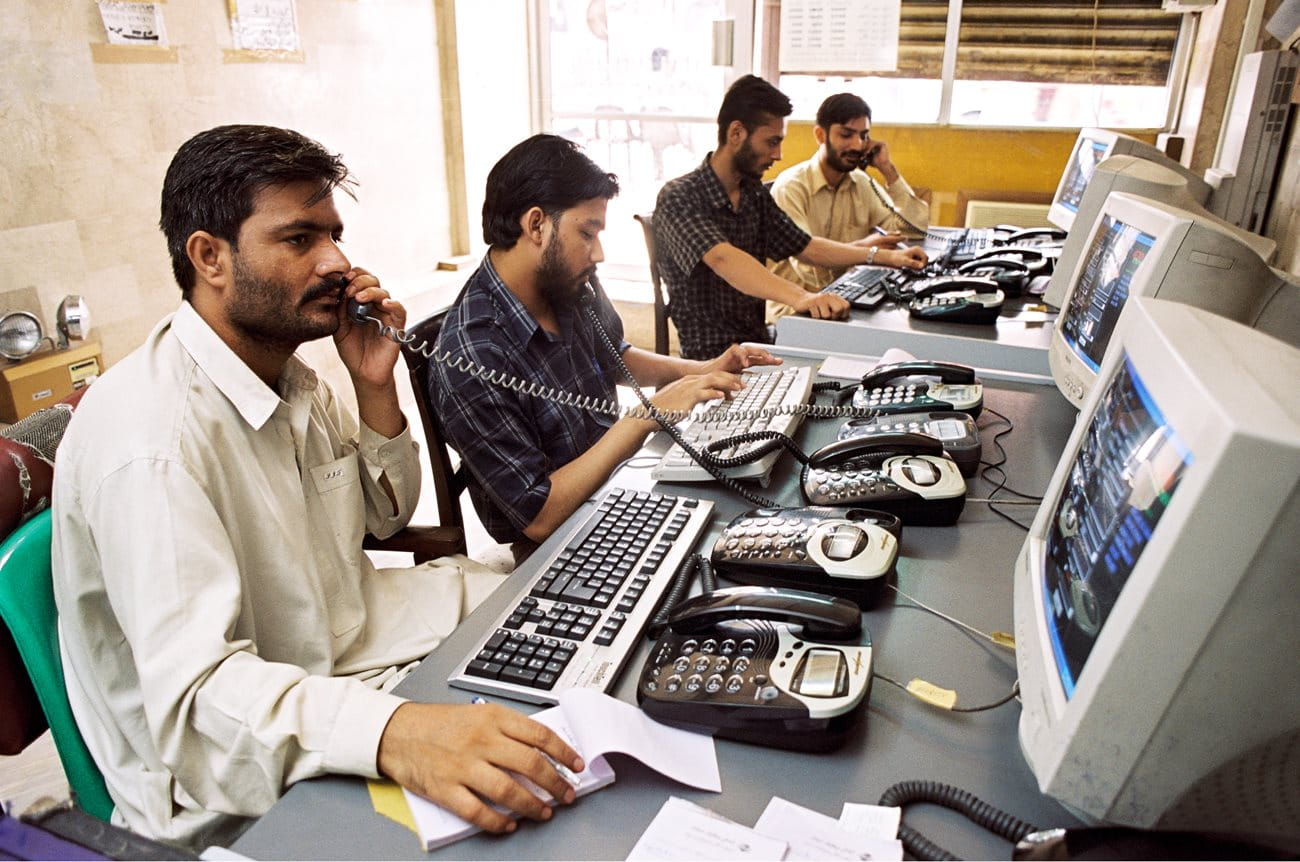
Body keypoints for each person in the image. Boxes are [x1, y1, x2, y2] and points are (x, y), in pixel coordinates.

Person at [51, 125, 586, 849]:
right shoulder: (154, 445)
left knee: (574, 630)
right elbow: (200, 700)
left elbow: (385, 517)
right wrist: (398, 732)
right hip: (238, 759)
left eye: (333, 233)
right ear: (209, 256)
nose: (337, 261)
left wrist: (375, 388)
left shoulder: (287, 374)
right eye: (299, 239)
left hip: (346, 652)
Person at [431, 134, 780, 561]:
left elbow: (616, 356)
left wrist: (704, 368)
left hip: (619, 487)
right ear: (536, 224)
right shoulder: (471, 354)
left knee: (757, 520)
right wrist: (642, 419)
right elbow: (538, 517)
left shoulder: (565, 281)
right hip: (555, 541)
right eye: (587, 232)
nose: (598, 253)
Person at [653, 75, 928, 360]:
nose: (778, 154)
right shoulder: (679, 196)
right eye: (771, 142)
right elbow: (724, 259)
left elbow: (806, 247)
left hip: (761, 345)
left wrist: (885, 257)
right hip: (711, 360)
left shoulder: (752, 194)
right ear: (736, 134)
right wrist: (803, 297)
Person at [767, 92, 931, 320]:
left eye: (864, 136)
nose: (857, 145)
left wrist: (887, 169)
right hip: (796, 313)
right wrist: (865, 250)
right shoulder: (791, 188)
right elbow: (812, 274)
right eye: (846, 135)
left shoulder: (860, 182)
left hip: (845, 297)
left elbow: (912, 231)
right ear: (820, 135)